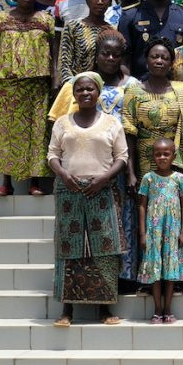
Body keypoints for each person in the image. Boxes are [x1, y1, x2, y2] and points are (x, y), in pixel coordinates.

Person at [46, 30, 142, 286]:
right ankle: (85, 284)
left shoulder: (132, 85)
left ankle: (123, 277)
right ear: (96, 55)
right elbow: (58, 133)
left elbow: (132, 130)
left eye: (116, 54)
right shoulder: (80, 82)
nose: (110, 58)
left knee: (122, 222)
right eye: (105, 53)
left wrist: (130, 170)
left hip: (116, 165)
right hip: (82, 166)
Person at [47, 71, 128, 327]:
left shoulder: (112, 123)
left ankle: (105, 309)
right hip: (69, 191)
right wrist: (63, 174)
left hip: (101, 190)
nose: (85, 93)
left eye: (90, 89)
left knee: (104, 248)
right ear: (73, 93)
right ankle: (66, 310)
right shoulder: (62, 122)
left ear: (99, 92)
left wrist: (103, 179)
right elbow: (52, 155)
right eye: (80, 89)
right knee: (69, 249)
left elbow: (122, 158)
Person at [0, 0, 55, 197]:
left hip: (37, 84)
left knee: (37, 132)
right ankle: (7, 182)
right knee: (8, 132)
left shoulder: (45, 19)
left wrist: (55, 79)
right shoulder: (2, 18)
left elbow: (53, 51)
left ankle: (35, 182)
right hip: (9, 84)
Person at [123, 37, 183, 193]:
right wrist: (130, 172)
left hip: (174, 162)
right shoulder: (133, 92)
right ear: (146, 60)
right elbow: (129, 134)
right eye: (155, 57)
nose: (159, 61)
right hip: (144, 163)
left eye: (165, 58)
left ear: (171, 63)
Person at [137, 138, 183, 323]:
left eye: (166, 154)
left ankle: (168, 308)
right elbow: (142, 206)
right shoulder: (148, 178)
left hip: (172, 232)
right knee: (156, 271)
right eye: (158, 154)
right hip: (154, 232)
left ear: (173, 156)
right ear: (153, 156)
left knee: (170, 270)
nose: (161, 157)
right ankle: (157, 309)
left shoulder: (179, 178)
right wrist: (143, 233)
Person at [58, 0, 118, 86]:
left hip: (105, 89)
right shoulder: (73, 27)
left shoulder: (113, 31)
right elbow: (64, 64)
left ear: (109, 2)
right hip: (77, 89)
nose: (100, 2)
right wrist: (73, 86)